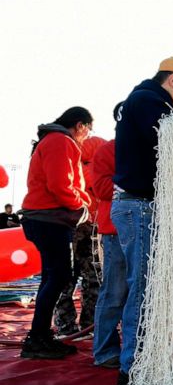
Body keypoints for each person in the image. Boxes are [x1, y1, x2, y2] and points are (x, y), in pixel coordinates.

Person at [112, 57, 173, 385]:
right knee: (143, 288)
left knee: (148, 287)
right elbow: (167, 138)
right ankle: (133, 369)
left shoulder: (151, 103)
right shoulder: (146, 100)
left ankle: (141, 360)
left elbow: (170, 146)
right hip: (140, 208)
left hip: (145, 207)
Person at [18, 107, 93, 359]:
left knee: (52, 276)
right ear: (81, 125)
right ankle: (37, 337)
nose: (87, 136)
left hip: (42, 218)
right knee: (59, 275)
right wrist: (82, 206)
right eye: (88, 130)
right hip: (50, 219)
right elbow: (61, 185)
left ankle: (39, 335)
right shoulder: (61, 142)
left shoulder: (51, 140)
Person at [53, 135, 106, 336]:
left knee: (76, 278)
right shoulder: (87, 167)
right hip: (82, 224)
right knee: (87, 278)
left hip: (82, 224)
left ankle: (74, 325)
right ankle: (83, 325)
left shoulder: (77, 164)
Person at [91, 131, 128, 368]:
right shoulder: (108, 150)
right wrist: (133, 182)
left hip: (148, 230)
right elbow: (101, 188)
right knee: (115, 292)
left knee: (138, 294)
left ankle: (132, 347)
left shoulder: (153, 148)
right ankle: (105, 350)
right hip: (116, 231)